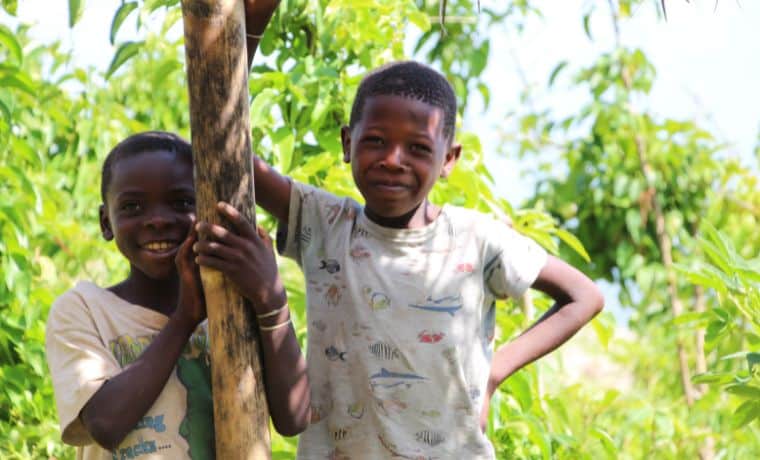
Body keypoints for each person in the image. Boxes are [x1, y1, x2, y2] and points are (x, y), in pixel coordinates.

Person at [233, 12, 605, 453]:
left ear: (449, 159)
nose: (393, 159)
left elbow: (585, 296)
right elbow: (228, 149)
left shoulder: (477, 238)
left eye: (418, 148)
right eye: (375, 141)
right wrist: (247, 32)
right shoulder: (324, 221)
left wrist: (495, 372)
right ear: (347, 142)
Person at [45, 131, 310, 459]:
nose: (157, 220)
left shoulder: (235, 306)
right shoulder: (84, 309)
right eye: (132, 206)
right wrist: (185, 318)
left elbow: (293, 417)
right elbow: (105, 424)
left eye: (182, 202)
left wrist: (271, 301)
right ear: (105, 222)